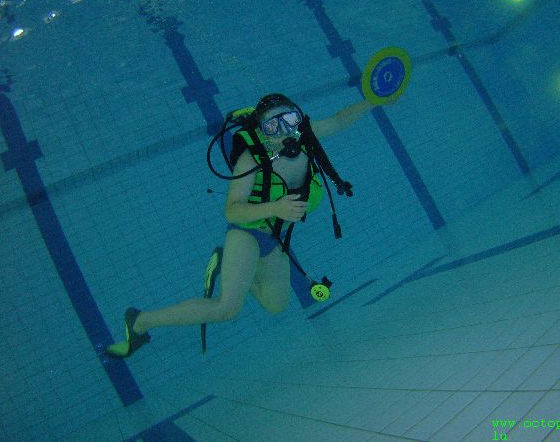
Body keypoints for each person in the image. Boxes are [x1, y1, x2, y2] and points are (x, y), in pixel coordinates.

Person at [107, 93, 376, 357]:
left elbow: (339, 120)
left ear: (298, 118)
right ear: (263, 132)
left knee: (276, 305)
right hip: (247, 232)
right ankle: (140, 321)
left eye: (289, 120)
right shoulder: (251, 159)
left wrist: (375, 99)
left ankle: (231, 265)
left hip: (275, 238)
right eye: (272, 126)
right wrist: (275, 208)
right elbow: (232, 211)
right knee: (227, 308)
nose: (284, 131)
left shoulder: (306, 137)